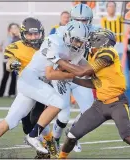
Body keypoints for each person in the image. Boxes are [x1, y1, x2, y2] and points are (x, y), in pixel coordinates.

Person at [54, 29, 130, 159]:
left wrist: (59, 62)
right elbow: (94, 83)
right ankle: (61, 158)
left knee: (127, 137)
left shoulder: (109, 52)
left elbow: (84, 71)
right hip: (99, 105)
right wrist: (70, 78)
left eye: (93, 39)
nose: (89, 42)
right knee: (72, 136)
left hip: (117, 103)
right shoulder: (93, 55)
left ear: (101, 41)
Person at [0, 17, 51, 159]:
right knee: (15, 122)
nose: (33, 37)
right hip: (28, 89)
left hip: (45, 88)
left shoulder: (49, 45)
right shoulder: (16, 47)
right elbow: (9, 63)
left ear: (41, 33)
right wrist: (13, 65)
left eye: (36, 34)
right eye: (30, 34)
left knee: (41, 118)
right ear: (23, 34)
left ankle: (51, 143)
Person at [25, 20, 90, 154]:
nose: (80, 44)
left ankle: (45, 141)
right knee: (26, 118)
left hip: (55, 77)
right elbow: (50, 73)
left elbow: (78, 62)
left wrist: (90, 70)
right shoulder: (56, 42)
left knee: (61, 112)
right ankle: (38, 137)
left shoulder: (78, 42)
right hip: (38, 79)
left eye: (82, 41)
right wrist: (73, 72)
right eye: (77, 40)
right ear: (69, 36)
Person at [51, 3, 99, 153]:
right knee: (63, 116)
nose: (80, 23)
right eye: (77, 20)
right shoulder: (60, 31)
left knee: (89, 112)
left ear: (89, 20)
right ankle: (54, 139)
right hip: (62, 75)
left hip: (81, 75)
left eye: (84, 20)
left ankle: (72, 135)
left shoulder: (96, 32)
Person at [100, 1, 130, 108]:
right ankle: (109, 101)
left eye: (113, 6)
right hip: (108, 53)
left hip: (121, 53)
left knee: (125, 79)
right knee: (107, 78)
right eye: (109, 6)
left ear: (115, 8)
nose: (111, 8)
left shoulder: (121, 19)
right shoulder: (103, 20)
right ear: (106, 8)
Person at [0, 23, 20, 97]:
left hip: (15, 60)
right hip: (6, 60)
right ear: (9, 29)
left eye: (16, 28)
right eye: (12, 28)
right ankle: (0, 93)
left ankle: (11, 93)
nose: (14, 30)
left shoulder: (19, 38)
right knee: (5, 76)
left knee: (14, 77)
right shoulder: (5, 38)